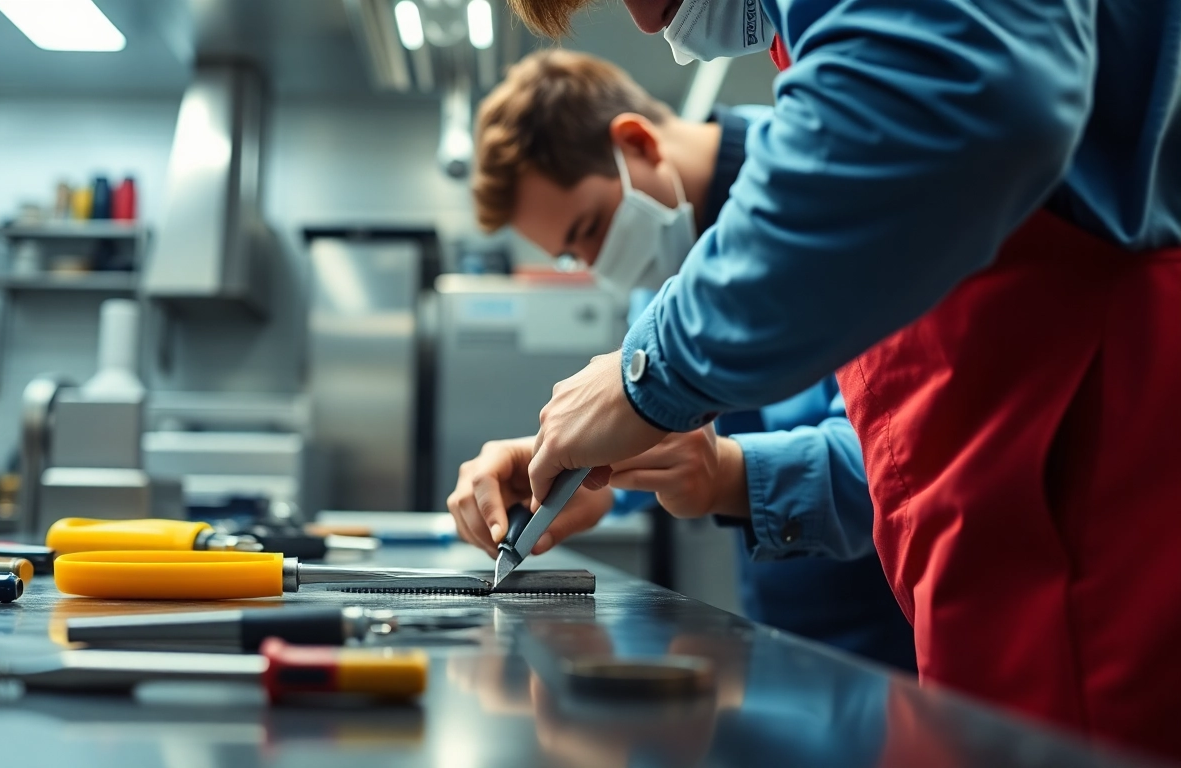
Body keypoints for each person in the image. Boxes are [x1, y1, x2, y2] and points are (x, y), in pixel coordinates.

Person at [502, 0, 1181, 758]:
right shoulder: (807, 172)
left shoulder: (833, 181)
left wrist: (650, 376)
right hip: (1001, 573)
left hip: (1087, 524)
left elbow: (944, 81)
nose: (643, 20)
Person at [449, 50, 914, 671]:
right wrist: (586, 481)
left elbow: (903, 460)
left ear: (637, 143)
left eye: (590, 229)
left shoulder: (821, 188)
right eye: (573, 255)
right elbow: (665, 446)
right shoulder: (659, 271)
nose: (596, 265)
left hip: (906, 636)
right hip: (783, 640)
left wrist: (729, 475)